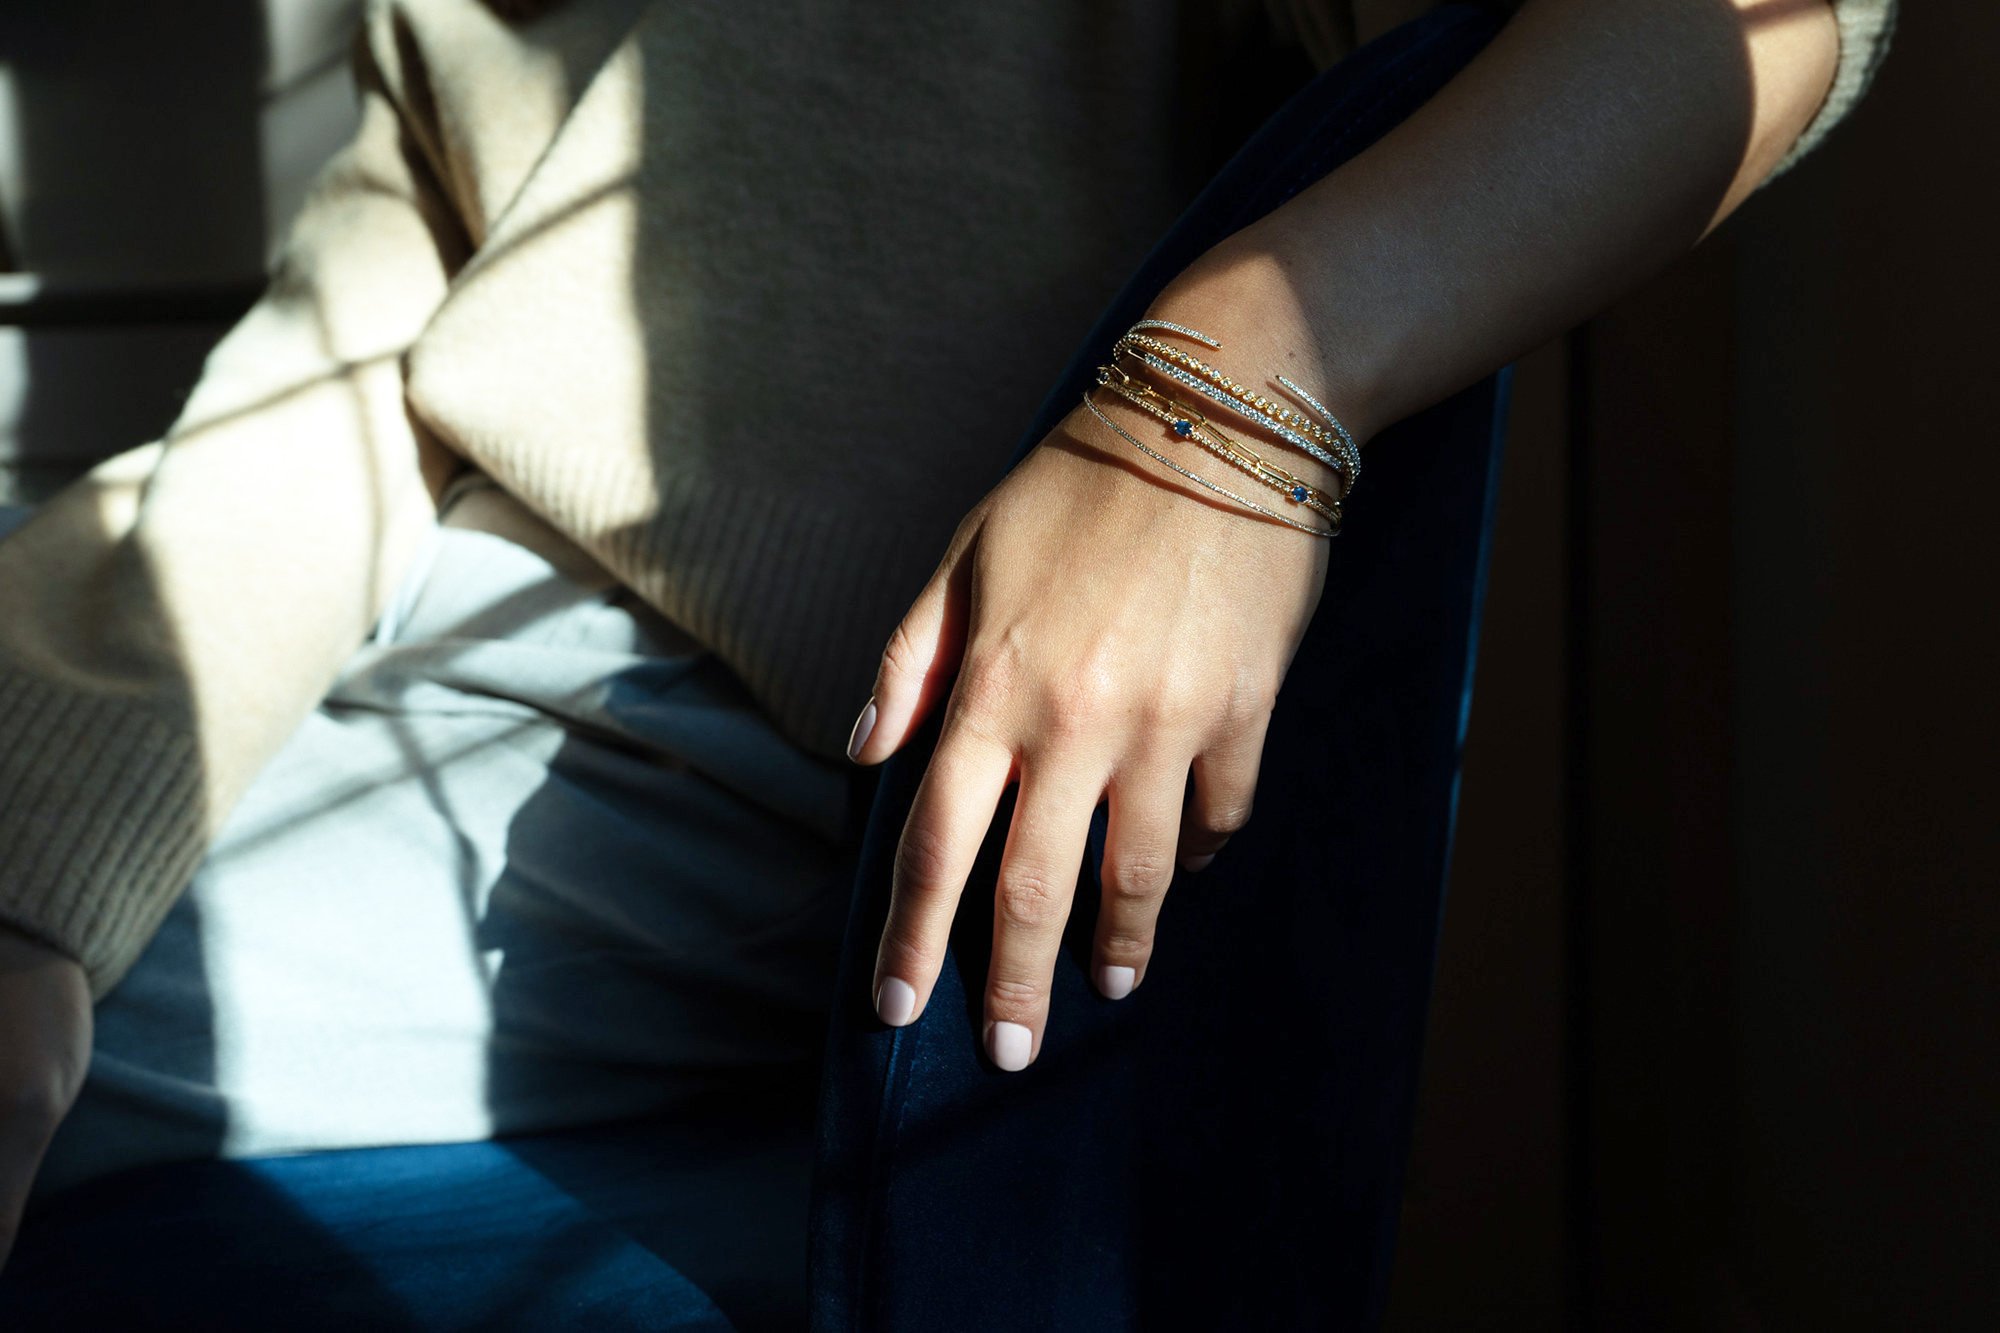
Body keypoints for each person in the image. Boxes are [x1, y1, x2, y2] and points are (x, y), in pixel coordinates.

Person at [0, 0, 1893, 1325]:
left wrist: (1220, 399)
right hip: (421, 656)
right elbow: (329, 389)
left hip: (687, 741)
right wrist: (34, 898)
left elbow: (1751, 22)